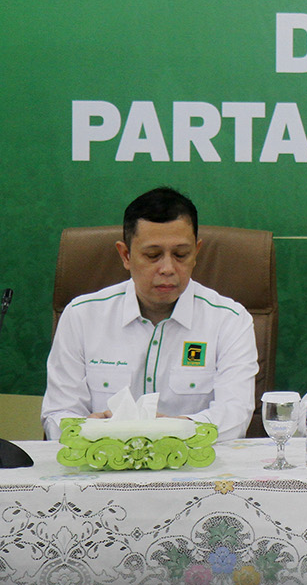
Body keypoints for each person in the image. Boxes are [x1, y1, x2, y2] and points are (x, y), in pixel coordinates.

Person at [42, 187, 258, 440]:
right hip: (101, 468)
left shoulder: (230, 320)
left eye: (181, 254)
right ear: (125, 255)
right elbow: (57, 415)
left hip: (195, 471)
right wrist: (90, 429)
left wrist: (171, 431)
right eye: (152, 255)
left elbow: (235, 416)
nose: (167, 268)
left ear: (197, 253)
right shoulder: (82, 316)